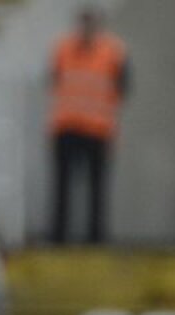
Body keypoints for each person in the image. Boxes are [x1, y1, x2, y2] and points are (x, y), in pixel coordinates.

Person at [47, 7, 130, 244]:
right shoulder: (62, 48)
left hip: (98, 129)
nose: (86, 29)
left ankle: (96, 239)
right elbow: (53, 79)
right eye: (83, 23)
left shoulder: (114, 52)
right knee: (62, 186)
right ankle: (58, 238)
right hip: (66, 125)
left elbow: (124, 87)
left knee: (98, 188)